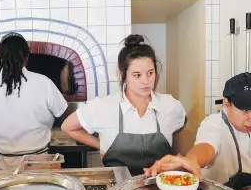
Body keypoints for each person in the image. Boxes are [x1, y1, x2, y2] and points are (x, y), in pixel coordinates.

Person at [61, 34, 187, 176]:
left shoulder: (170, 105)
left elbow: (180, 123)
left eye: (150, 73)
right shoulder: (103, 107)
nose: (146, 81)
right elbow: (68, 127)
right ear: (123, 75)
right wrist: (102, 145)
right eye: (137, 75)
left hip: (162, 188)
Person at [145, 72, 251, 190]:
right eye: (245, 109)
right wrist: (189, 161)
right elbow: (205, 148)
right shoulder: (214, 125)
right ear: (227, 103)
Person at [0, 32, 68, 170]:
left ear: (1, 58)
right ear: (26, 57)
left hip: (3, 163)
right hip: (39, 163)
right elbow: (63, 116)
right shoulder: (44, 83)